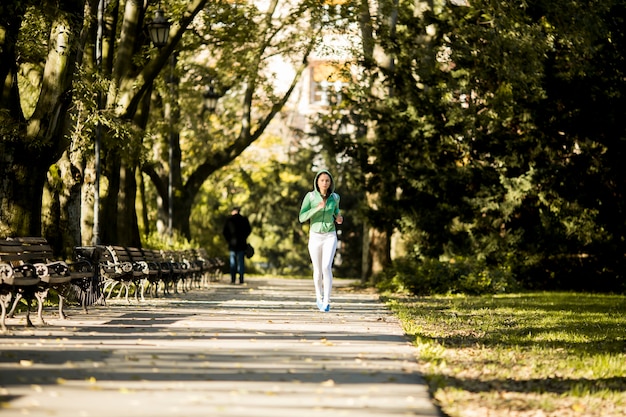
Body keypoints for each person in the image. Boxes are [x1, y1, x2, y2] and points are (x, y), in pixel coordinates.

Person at [298, 170, 343, 312]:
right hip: (315, 236)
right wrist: (317, 209)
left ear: (330, 183)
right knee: (317, 270)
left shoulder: (335, 197)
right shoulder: (310, 197)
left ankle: (326, 300)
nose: (324, 183)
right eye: (322, 180)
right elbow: (302, 217)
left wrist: (339, 217)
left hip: (330, 235)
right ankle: (319, 296)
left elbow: (336, 211)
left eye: (327, 181)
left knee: (326, 267)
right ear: (317, 182)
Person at [222, 207, 252, 284]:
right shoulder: (244, 219)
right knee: (241, 261)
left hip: (232, 244)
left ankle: (233, 278)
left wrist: (229, 240)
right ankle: (241, 278)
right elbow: (248, 230)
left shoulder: (230, 220)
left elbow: (225, 232)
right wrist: (243, 237)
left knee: (233, 262)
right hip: (242, 244)